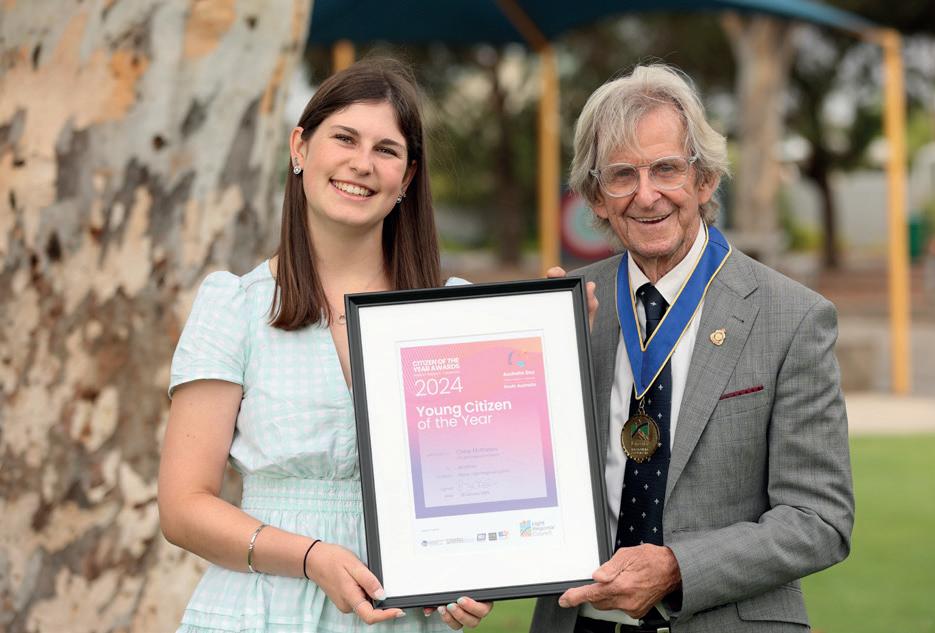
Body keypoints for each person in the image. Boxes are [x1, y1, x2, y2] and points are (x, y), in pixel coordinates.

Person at [158, 58, 492, 633]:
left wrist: (475, 571)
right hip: (262, 612)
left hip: (401, 615)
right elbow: (183, 508)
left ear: (407, 177)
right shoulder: (234, 307)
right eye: (344, 138)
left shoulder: (453, 313)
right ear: (300, 148)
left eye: (386, 150)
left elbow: (483, 485)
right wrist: (312, 557)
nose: (362, 163)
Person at [533, 63, 854, 633]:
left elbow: (819, 519)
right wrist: (541, 356)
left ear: (704, 181)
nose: (646, 194)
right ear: (596, 198)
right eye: (622, 175)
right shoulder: (567, 309)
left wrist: (677, 568)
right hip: (578, 621)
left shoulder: (793, 317)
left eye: (666, 169)